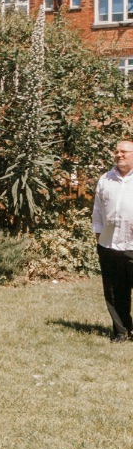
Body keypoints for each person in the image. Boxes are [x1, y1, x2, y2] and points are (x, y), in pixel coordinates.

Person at [91, 138, 133, 342]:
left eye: (124, 151)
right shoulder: (105, 179)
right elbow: (97, 211)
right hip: (110, 246)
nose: (119, 155)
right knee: (115, 292)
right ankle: (121, 331)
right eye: (116, 151)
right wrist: (99, 238)